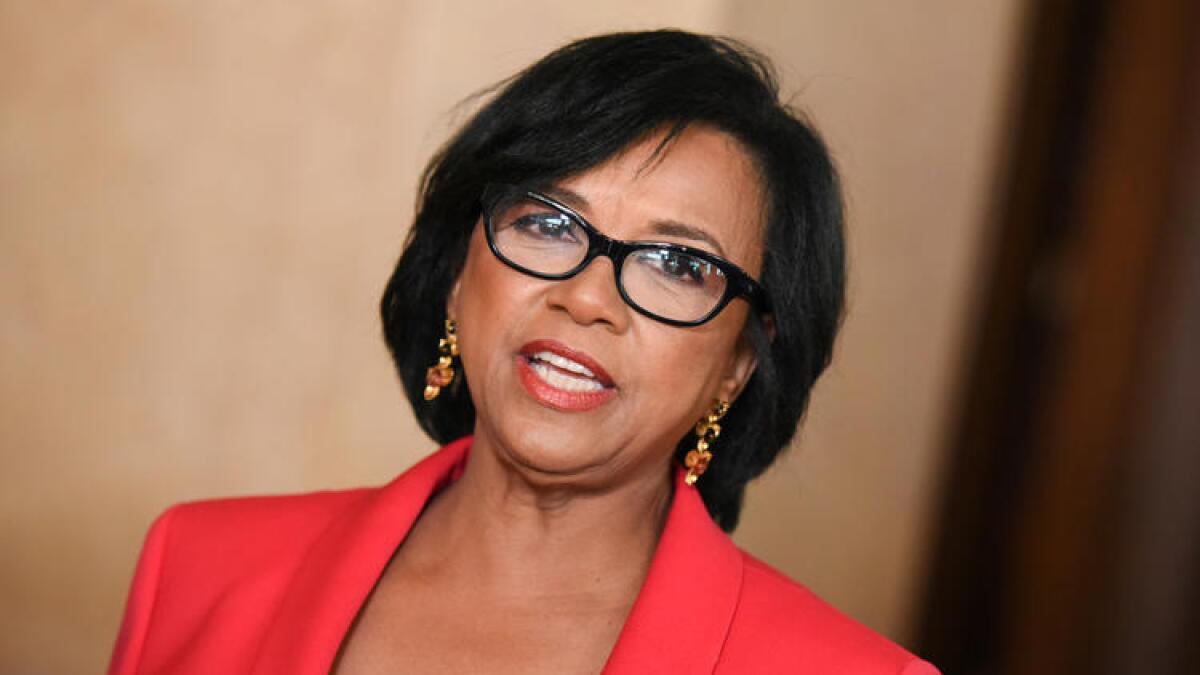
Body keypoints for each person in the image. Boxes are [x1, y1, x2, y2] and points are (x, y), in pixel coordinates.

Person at [109, 30, 938, 674]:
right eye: (547, 223)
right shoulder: (197, 566)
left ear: (739, 363)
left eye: (679, 264)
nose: (585, 297)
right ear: (456, 274)